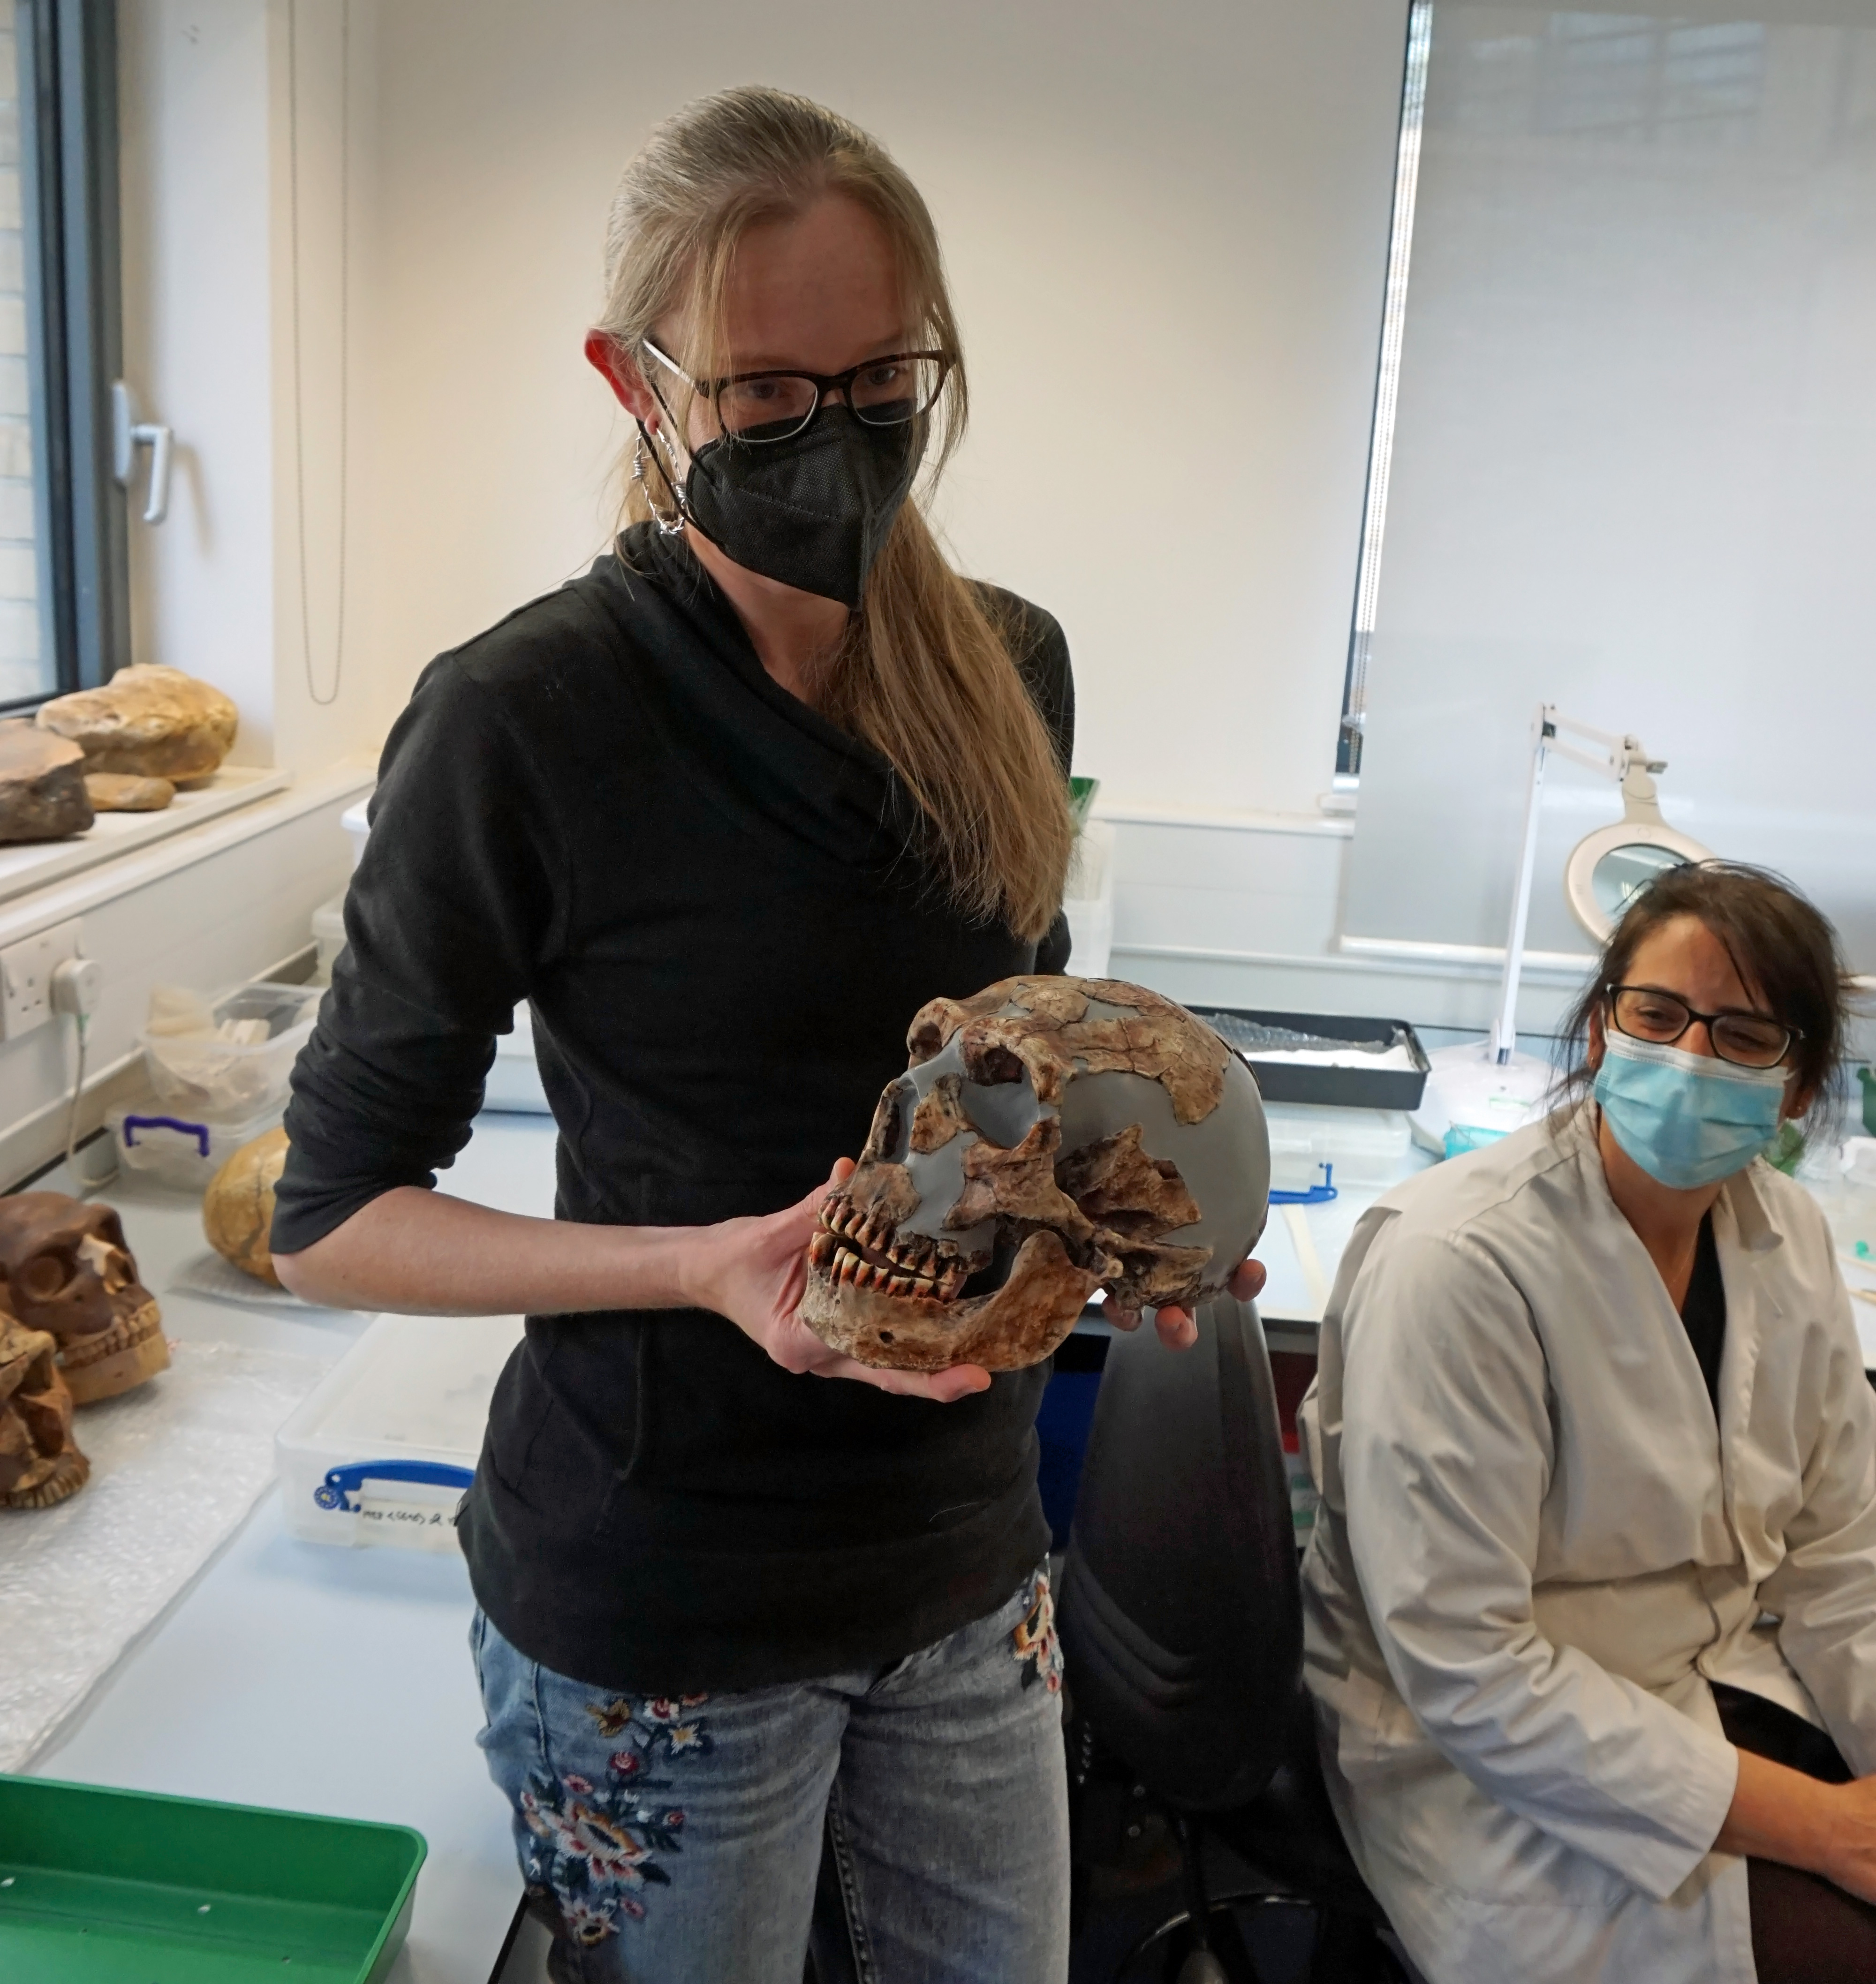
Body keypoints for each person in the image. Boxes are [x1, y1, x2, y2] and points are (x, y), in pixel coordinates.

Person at [272, 86, 1255, 1984]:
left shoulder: (1011, 664)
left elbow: (1020, 1063)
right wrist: (703, 1266)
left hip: (962, 1564)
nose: (835, 440)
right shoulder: (522, 719)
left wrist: (1138, 1218)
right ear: (638, 387)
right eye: (763, 398)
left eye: (883, 381)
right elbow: (330, 1218)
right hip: (663, 1585)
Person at [1300, 860, 1876, 1984]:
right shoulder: (1461, 1260)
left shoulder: (1787, 1236)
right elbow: (1468, 1667)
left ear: (1799, 1084)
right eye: (1656, 1016)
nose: (1688, 1058)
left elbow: (1837, 1555)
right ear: (1601, 1026)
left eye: (1745, 1034)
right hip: (1486, 1759)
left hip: (1710, 1674)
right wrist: (1826, 1828)